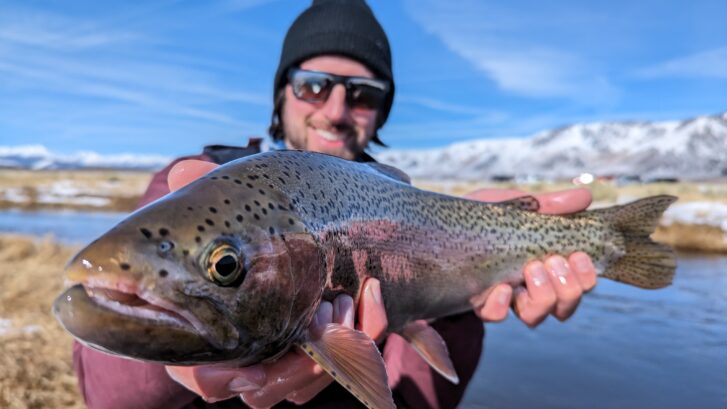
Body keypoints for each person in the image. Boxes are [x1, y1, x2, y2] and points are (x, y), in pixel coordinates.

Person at [72, 1, 597, 408]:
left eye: (363, 94)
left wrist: (462, 301)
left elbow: (414, 402)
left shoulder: (406, 204)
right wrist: (165, 363)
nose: (336, 110)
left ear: (381, 112)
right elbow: (106, 399)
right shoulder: (196, 185)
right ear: (282, 94)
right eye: (313, 86)